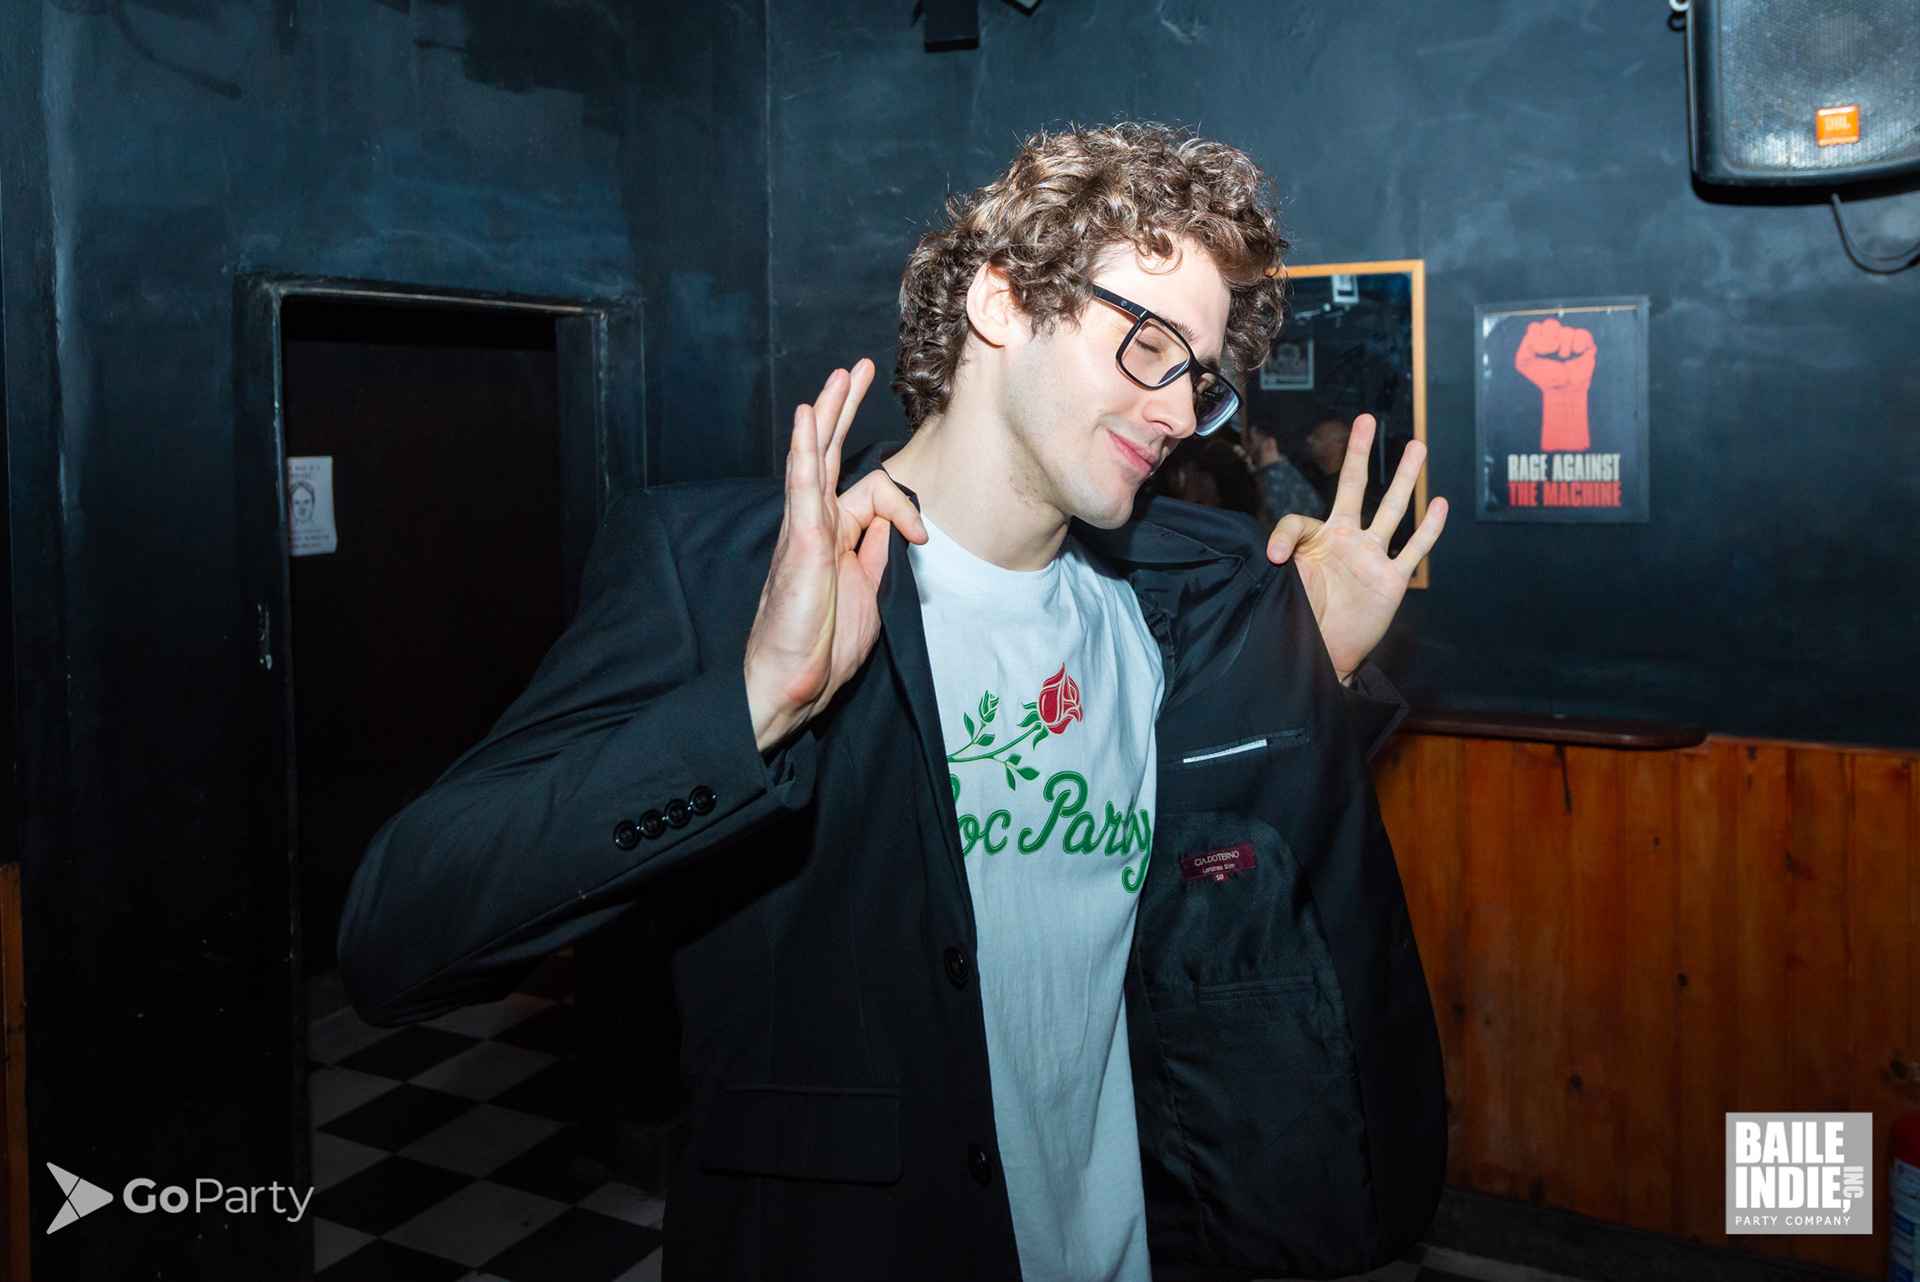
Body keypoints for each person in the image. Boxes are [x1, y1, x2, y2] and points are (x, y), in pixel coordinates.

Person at [339, 123, 1450, 1281]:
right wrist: (755, 704)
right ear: (1001, 303)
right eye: (1148, 345)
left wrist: (1311, 668)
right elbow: (398, 936)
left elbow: (1231, 903)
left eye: (1199, 378)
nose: (1176, 412)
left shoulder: (1184, 596)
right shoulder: (720, 573)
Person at [1241, 414, 1326, 522]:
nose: (1246, 446)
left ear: (1270, 443)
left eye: (1251, 440)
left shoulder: (1261, 485)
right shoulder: (1305, 485)